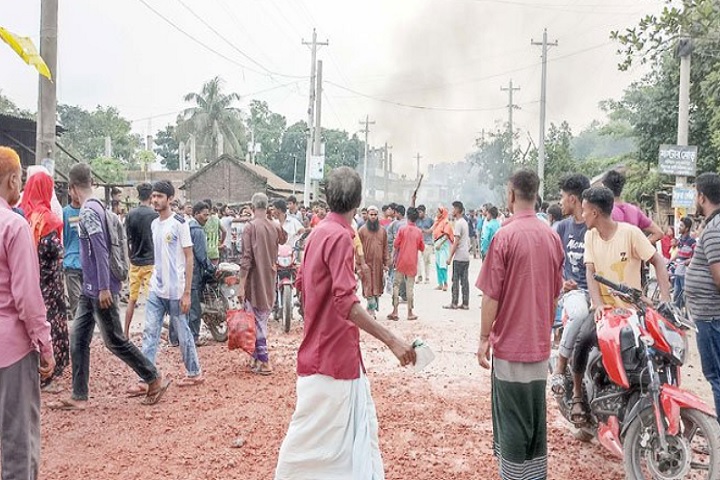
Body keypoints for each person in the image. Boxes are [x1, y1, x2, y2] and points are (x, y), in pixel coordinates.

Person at [275, 167, 416, 479]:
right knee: (313, 443)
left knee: (343, 438)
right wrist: (392, 340)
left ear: (326, 197)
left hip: (322, 351)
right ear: (359, 200)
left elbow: (304, 285)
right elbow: (345, 301)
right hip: (333, 358)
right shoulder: (341, 236)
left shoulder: (316, 234)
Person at [51, 163, 168, 410]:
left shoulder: (88, 212)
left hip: (98, 287)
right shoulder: (98, 207)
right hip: (90, 287)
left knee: (114, 339)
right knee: (78, 337)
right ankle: (78, 395)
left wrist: (104, 287)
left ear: (72, 188)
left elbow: (101, 249)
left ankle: (153, 376)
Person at [476, 169, 564, 480]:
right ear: (536, 195)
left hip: (511, 348)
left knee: (511, 419)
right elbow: (555, 295)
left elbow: (491, 297)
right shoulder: (552, 237)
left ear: (511, 195)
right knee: (535, 418)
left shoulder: (505, 236)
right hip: (538, 348)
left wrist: (484, 337)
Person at [573, 186, 671, 422]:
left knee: (654, 352)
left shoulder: (630, 233)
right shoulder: (590, 236)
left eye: (584, 211)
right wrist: (596, 304)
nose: (582, 215)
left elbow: (658, 261)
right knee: (583, 340)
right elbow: (590, 272)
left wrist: (666, 300)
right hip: (604, 310)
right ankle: (578, 396)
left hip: (632, 310)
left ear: (595, 212)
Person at [0, 146, 55, 479]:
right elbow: (27, 298)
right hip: (12, 351)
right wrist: (45, 346)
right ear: (10, 180)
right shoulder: (14, 227)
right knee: (19, 444)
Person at [134, 180, 204, 389]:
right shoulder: (154, 224)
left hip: (176, 290)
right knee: (150, 332)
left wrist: (187, 293)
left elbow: (189, 258)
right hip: (157, 288)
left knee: (183, 332)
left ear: (170, 199)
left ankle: (194, 372)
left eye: (160, 196)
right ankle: (146, 378)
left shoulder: (180, 224)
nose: (155, 200)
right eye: (153, 196)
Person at [20, 170, 69, 392]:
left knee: (30, 328)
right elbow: (56, 252)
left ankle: (31, 373)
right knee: (52, 327)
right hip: (50, 284)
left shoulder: (21, 216)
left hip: (29, 281)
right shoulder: (48, 219)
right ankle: (49, 375)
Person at [549, 174, 593, 397]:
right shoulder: (562, 228)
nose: (561, 202)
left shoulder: (594, 225)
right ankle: (560, 366)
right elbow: (550, 259)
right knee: (578, 313)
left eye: (563, 197)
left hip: (598, 291)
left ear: (573, 199)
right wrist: (561, 281)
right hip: (574, 293)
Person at [238, 193, 287, 375]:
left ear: (252, 206)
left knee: (256, 321)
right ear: (267, 207)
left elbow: (246, 259)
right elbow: (284, 239)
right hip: (270, 277)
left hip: (253, 280)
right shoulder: (274, 226)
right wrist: (276, 218)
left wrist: (241, 285)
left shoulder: (249, 227)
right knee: (262, 318)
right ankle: (256, 358)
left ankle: (265, 361)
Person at [685, 172, 720, 422]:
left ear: (702, 196)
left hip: (711, 317)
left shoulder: (713, 230)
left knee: (716, 375)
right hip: (710, 315)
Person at [170, 202, 216, 346]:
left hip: (179, 271)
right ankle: (193, 338)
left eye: (208, 214)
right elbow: (201, 255)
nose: (206, 217)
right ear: (196, 214)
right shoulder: (197, 231)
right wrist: (211, 268)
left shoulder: (184, 227)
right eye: (204, 214)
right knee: (194, 307)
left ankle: (175, 338)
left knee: (178, 306)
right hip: (193, 274)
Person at [123, 183, 158, 338]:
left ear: (138, 196)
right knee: (152, 301)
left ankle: (125, 333)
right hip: (151, 261)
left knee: (132, 299)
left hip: (135, 262)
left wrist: (130, 256)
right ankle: (151, 332)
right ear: (151, 196)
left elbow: (127, 239)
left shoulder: (130, 215)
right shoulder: (155, 215)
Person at [602, 170, 664, 243]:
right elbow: (659, 233)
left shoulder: (604, 212)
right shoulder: (634, 211)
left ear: (604, 188)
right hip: (632, 253)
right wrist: (640, 247)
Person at [388, 207, 425, 321]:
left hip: (401, 261)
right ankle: (410, 312)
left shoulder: (402, 229)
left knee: (396, 285)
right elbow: (422, 247)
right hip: (412, 262)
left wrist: (392, 258)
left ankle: (395, 311)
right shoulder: (419, 232)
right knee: (410, 287)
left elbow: (396, 244)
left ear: (407, 217)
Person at [358, 206, 390, 318]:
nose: (373, 217)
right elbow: (357, 249)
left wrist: (386, 263)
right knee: (368, 287)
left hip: (378, 266)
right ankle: (371, 310)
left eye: (375, 215)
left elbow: (386, 248)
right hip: (366, 264)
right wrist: (359, 265)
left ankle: (370, 308)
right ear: (367, 215)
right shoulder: (361, 230)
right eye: (371, 214)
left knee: (376, 287)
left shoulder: (382, 231)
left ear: (378, 215)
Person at [445, 200, 471, 310]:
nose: (452, 211)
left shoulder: (459, 223)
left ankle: (454, 302)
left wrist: (450, 256)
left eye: (453, 209)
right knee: (464, 281)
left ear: (457, 210)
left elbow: (456, 242)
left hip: (459, 256)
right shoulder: (464, 222)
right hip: (465, 256)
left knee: (455, 280)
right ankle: (465, 303)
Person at [63, 182, 83, 321]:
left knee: (89, 306)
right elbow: (62, 238)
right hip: (71, 265)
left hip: (88, 265)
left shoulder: (88, 211)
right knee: (77, 305)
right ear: (69, 191)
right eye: (73, 190)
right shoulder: (64, 213)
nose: (77, 193)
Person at [672, 216, 696, 309]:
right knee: (676, 294)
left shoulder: (692, 242)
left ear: (687, 228)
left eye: (681, 226)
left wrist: (688, 261)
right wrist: (670, 261)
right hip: (678, 271)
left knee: (685, 297)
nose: (679, 227)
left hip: (686, 273)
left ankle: (686, 317)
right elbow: (678, 254)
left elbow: (696, 257)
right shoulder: (680, 240)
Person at [432, 206, 454, 291]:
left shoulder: (446, 222)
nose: (437, 214)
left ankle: (445, 283)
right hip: (437, 245)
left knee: (443, 265)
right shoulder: (437, 222)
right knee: (438, 264)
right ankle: (440, 283)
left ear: (442, 213)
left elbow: (446, 235)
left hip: (443, 246)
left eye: (438, 212)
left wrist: (440, 244)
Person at [203, 198, 225, 265]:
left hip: (204, 251)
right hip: (214, 251)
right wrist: (221, 242)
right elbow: (224, 231)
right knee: (214, 273)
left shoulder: (202, 219)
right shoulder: (216, 219)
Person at [416, 205, 434, 284]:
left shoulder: (430, 220)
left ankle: (427, 277)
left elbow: (434, 228)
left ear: (424, 212)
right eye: (418, 212)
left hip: (427, 242)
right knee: (418, 260)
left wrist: (426, 231)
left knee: (426, 261)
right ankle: (419, 276)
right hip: (418, 243)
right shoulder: (416, 220)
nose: (419, 214)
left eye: (420, 212)